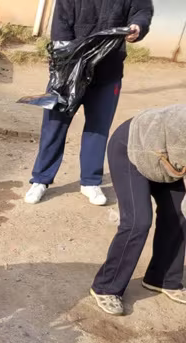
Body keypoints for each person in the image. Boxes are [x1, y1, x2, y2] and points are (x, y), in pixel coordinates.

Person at [25, 0, 154, 206]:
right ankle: (41, 179)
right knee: (54, 125)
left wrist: (138, 26)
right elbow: (61, 25)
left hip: (108, 73)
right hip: (69, 72)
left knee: (98, 128)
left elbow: (142, 10)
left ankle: (90, 182)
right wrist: (69, 64)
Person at [91, 104, 186, 315]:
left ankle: (162, 278)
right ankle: (106, 287)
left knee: (177, 215)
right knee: (138, 221)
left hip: (165, 157)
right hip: (132, 147)